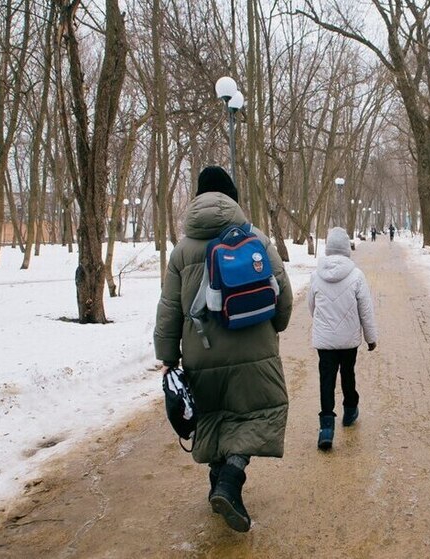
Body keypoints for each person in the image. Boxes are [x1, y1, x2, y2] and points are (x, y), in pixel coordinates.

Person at [154, 165, 293, 532]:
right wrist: (275, 327)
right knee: (260, 412)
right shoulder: (256, 238)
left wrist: (168, 355)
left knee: (212, 414)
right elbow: (284, 292)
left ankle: (219, 483)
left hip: (201, 351)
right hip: (254, 348)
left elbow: (169, 307)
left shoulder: (182, 250)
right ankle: (231, 479)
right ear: (233, 198)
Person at [308, 227, 378, 450]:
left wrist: (324, 324)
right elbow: (365, 310)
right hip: (349, 341)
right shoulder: (356, 275)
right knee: (348, 374)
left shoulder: (316, 275)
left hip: (325, 341)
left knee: (326, 380)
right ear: (347, 249)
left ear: (328, 248)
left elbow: (312, 306)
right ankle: (350, 410)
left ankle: (326, 427)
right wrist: (370, 338)